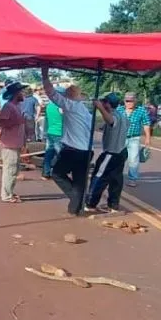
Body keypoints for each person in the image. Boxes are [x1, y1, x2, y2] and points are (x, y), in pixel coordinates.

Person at [41, 67, 94, 215]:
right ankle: (76, 207)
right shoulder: (86, 112)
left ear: (69, 97)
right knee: (79, 181)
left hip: (72, 150)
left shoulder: (71, 106)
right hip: (86, 151)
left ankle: (77, 200)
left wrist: (45, 75)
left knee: (57, 174)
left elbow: (51, 94)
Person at [84, 93, 128, 213]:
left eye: (104, 102)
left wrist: (99, 107)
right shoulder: (122, 115)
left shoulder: (114, 116)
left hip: (111, 153)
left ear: (107, 104)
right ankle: (113, 205)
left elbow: (110, 120)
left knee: (99, 178)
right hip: (121, 152)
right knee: (116, 180)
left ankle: (90, 203)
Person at [0, 83, 27, 203]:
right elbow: (2, 123)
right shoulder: (8, 107)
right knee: (10, 170)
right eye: (21, 92)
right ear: (16, 94)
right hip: (10, 144)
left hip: (15, 143)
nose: (23, 94)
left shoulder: (16, 106)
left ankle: (9, 192)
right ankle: (7, 195)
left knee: (13, 170)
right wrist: (17, 121)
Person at [122, 93, 152, 186]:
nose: (129, 103)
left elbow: (146, 124)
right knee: (118, 158)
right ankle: (115, 176)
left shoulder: (141, 111)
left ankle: (132, 179)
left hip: (134, 138)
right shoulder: (119, 110)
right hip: (121, 138)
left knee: (133, 159)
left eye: (131, 101)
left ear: (135, 101)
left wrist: (147, 138)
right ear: (124, 101)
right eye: (127, 101)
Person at [41, 88, 64, 180]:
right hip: (59, 133)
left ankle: (46, 173)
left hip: (50, 132)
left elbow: (46, 120)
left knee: (49, 153)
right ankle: (58, 173)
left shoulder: (49, 106)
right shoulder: (61, 107)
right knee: (60, 154)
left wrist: (44, 132)